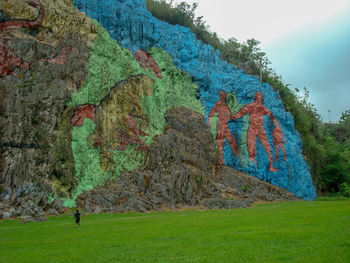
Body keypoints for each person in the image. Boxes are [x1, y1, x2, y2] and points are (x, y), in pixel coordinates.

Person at [232, 91, 279, 172]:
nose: (259, 97)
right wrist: (233, 117)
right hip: (252, 128)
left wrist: (276, 122)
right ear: (255, 97)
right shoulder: (251, 106)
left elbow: (270, 114)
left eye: (260, 96)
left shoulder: (263, 108)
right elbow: (241, 113)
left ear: (262, 98)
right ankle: (251, 161)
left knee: (267, 147)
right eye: (257, 95)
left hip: (260, 129)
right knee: (251, 145)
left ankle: (271, 165)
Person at [208, 90, 240, 166]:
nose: (222, 96)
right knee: (220, 143)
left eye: (223, 95)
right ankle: (221, 160)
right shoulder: (218, 104)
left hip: (225, 126)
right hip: (220, 126)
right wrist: (211, 124)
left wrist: (233, 116)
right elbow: (211, 114)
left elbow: (230, 116)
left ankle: (237, 156)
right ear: (220, 96)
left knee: (231, 141)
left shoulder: (225, 105)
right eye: (221, 95)